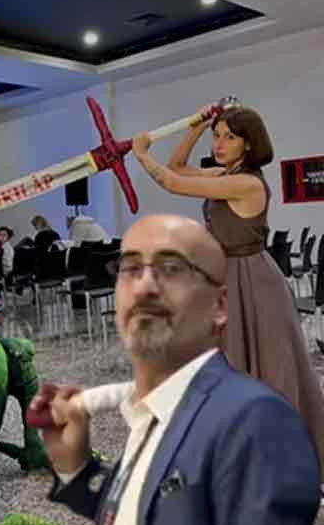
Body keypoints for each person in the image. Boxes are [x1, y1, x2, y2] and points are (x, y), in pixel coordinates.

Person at [37, 214, 319, 525]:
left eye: (171, 269)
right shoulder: (156, 406)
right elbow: (154, 515)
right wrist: (75, 468)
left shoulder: (255, 421)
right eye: (129, 269)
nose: (143, 287)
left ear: (220, 306)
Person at [132, 104, 324, 473]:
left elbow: (171, 182)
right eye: (216, 136)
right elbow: (177, 167)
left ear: (249, 144)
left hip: (253, 280)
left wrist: (141, 154)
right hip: (228, 277)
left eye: (229, 137)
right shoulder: (226, 174)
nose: (219, 144)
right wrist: (195, 127)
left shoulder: (246, 183)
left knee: (267, 369)